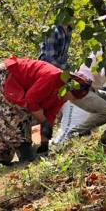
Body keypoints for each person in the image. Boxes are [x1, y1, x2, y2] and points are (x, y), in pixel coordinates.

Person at [0, 57, 91, 170]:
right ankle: (15, 155)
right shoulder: (53, 77)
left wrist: (44, 141)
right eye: (73, 97)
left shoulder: (62, 93)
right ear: (70, 89)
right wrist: (44, 121)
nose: (72, 100)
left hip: (23, 87)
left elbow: (48, 114)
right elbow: (31, 101)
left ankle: (32, 151)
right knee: (15, 115)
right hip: (7, 74)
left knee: (34, 117)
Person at [53, 52, 106, 145]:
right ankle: (73, 134)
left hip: (83, 88)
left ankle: (74, 135)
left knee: (103, 110)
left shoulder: (97, 52)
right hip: (80, 89)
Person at [37, 21, 73, 153]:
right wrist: (67, 71)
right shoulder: (53, 31)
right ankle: (37, 144)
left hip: (58, 73)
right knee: (38, 109)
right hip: (45, 73)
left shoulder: (69, 29)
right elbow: (49, 59)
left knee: (52, 108)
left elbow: (62, 56)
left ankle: (44, 144)